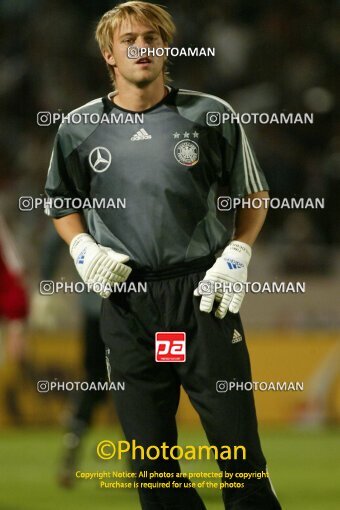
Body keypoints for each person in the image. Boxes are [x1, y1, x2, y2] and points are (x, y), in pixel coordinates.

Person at [45, 2, 281, 508]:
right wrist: (81, 246)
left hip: (204, 297)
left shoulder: (210, 114)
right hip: (128, 303)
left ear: (166, 47)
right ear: (109, 54)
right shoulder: (78, 128)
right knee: (152, 467)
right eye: (129, 39)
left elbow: (253, 193)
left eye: (153, 38)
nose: (142, 48)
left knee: (239, 455)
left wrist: (238, 252)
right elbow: (60, 202)